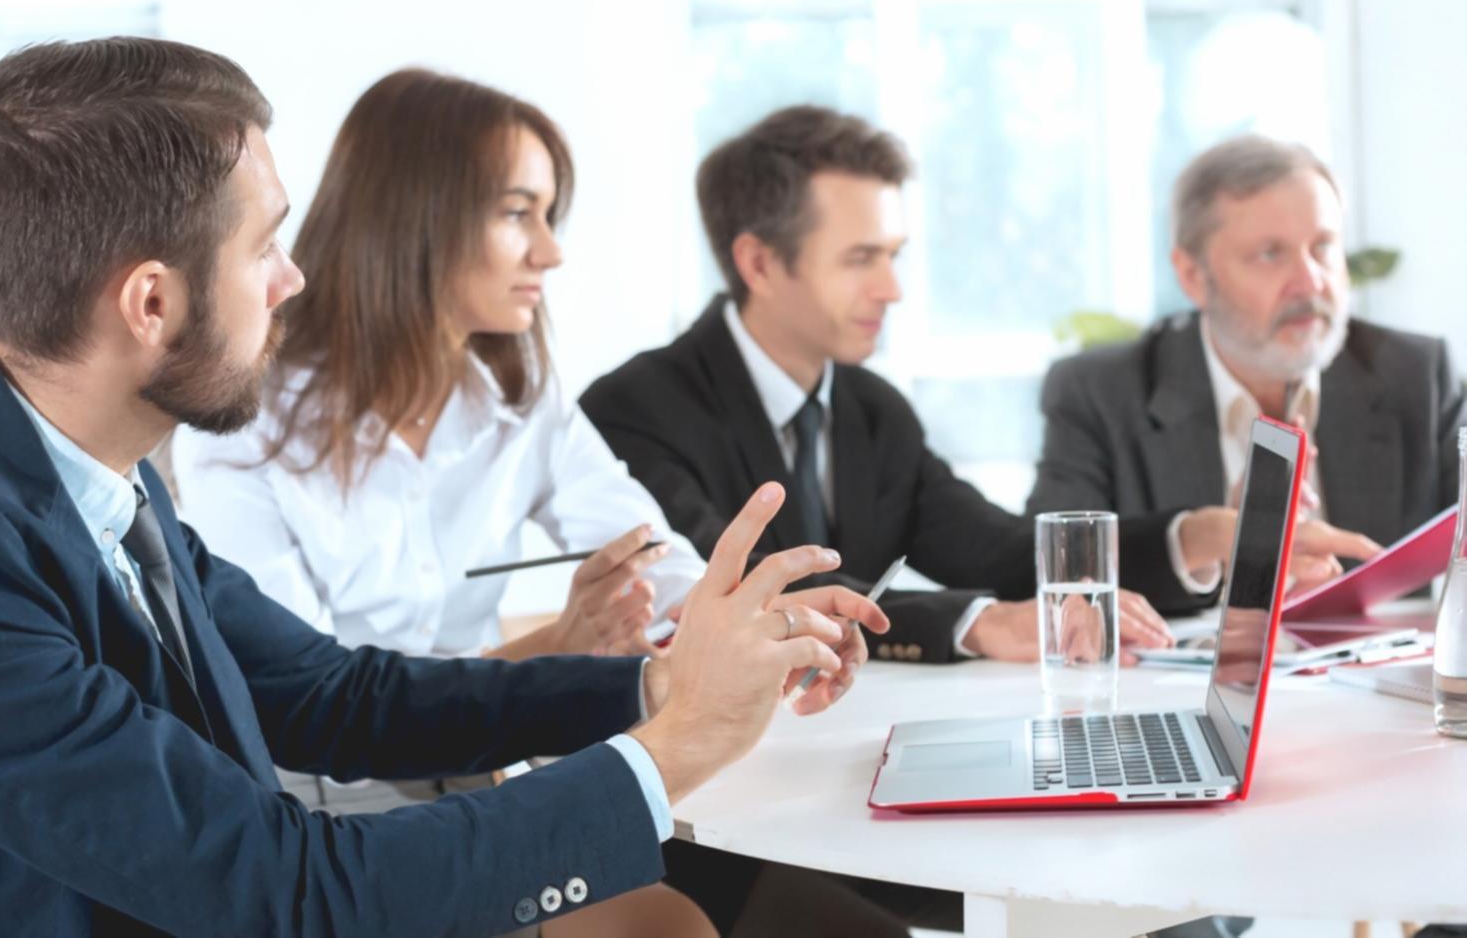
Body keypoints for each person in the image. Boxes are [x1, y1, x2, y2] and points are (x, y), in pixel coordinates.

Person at [0, 37, 886, 938]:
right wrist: (677, 745)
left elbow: (333, 693)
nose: (292, 280)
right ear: (152, 302)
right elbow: (288, 889)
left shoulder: (92, 465)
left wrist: (652, 685)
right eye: (262, 246)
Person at [582, 104, 1183, 659]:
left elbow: (995, 549)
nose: (892, 290)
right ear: (759, 263)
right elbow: (742, 587)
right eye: (860, 259)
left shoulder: (872, 408)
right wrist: (981, 622)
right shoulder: (632, 411)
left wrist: (1191, 540)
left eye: (893, 256)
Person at [172, 68, 706, 667]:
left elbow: (653, 562)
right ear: (413, 217)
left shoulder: (519, 399)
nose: (550, 253)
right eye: (516, 213)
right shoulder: (245, 423)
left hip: (488, 752)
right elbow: (308, 700)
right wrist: (550, 649)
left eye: (548, 216)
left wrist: (758, 621)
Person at [1027, 135, 1455, 611]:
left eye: (1323, 248)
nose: (1310, 280)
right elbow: (1048, 573)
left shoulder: (1413, 374)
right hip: (1174, 683)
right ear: (1193, 276)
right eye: (1270, 254)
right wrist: (1212, 544)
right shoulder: (1101, 393)